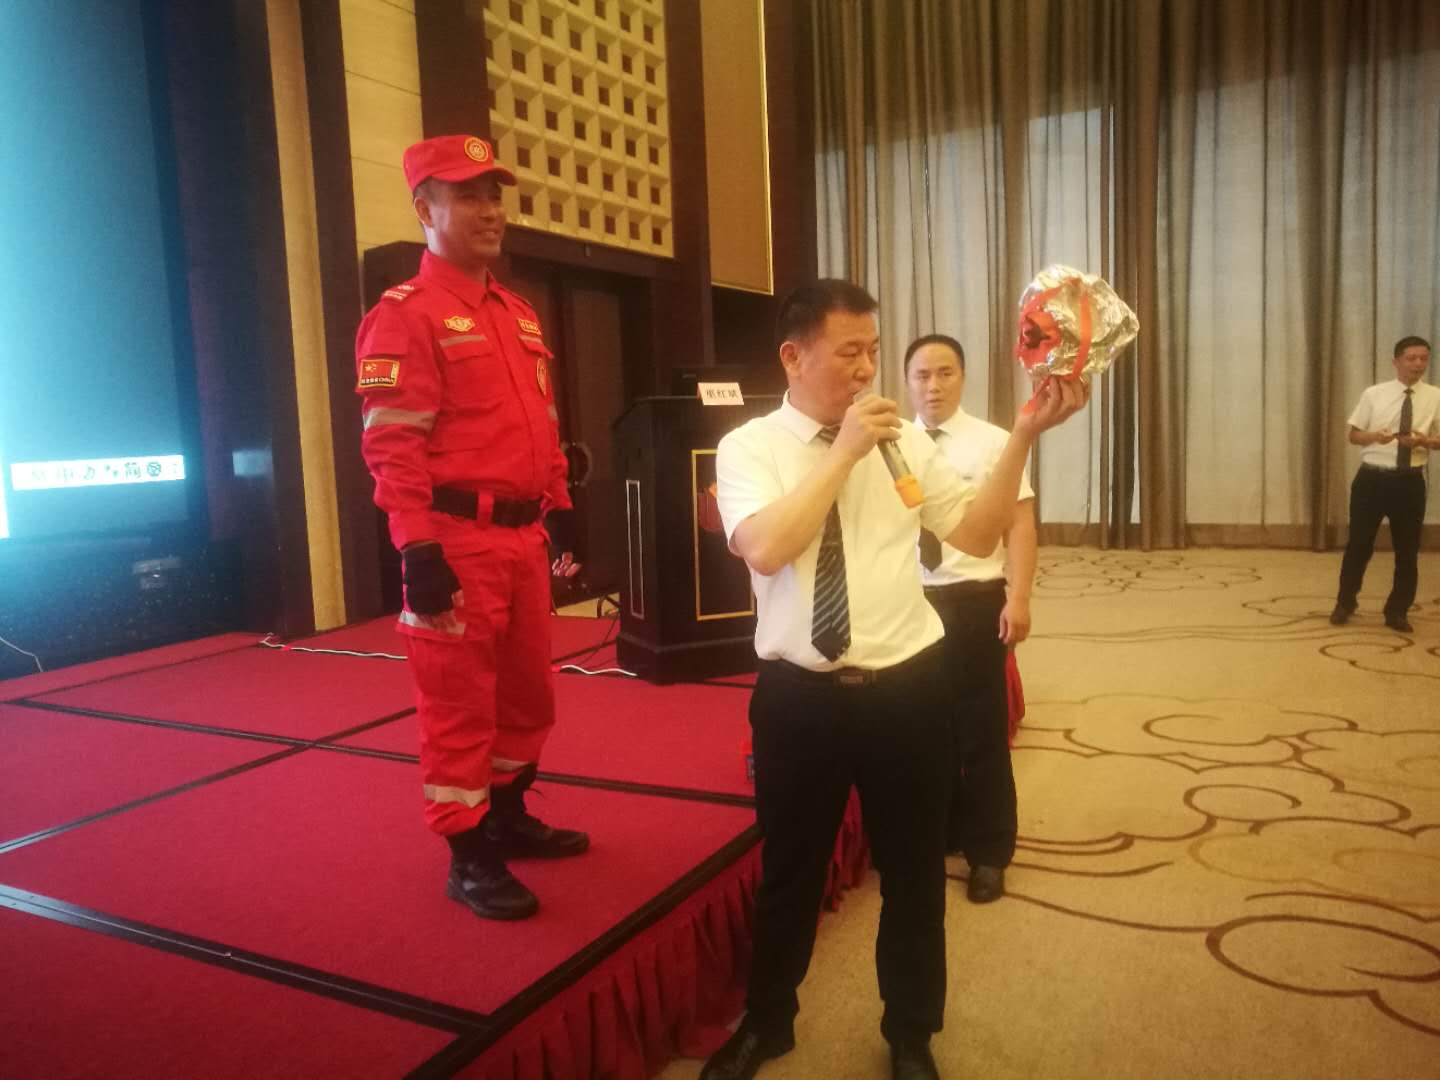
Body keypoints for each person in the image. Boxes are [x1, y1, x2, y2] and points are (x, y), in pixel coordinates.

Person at [705, 281, 1088, 1080]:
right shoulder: (750, 446)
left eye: (874, 351)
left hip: (909, 688)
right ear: (793, 356)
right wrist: (844, 451)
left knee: (914, 877)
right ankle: (767, 1022)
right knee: (789, 874)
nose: (867, 369)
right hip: (799, 698)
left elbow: (974, 532)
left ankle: (911, 1033)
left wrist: (1023, 434)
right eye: (850, 352)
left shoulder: (903, 441)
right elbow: (767, 547)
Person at [354, 134, 588, 922]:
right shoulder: (404, 317)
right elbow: (392, 445)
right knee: (458, 707)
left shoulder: (517, 314)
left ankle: (509, 815)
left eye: (495, 195)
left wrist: (560, 510)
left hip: (523, 540)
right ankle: (468, 854)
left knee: (528, 698)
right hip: (453, 542)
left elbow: (543, 426)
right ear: (425, 209)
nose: (490, 211)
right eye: (467, 196)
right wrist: (416, 546)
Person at [904, 334, 1035, 904]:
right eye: (922, 375)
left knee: (981, 730)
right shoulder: (890, 444)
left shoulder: (995, 443)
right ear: (907, 381)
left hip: (974, 598)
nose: (933, 386)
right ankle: (943, 831)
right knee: (923, 730)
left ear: (963, 376)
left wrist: (1019, 597)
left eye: (945, 373)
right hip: (908, 603)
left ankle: (989, 852)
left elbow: (1020, 524)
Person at [1330, 336, 1438, 634]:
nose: (1418, 364)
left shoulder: (1435, 396)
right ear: (1396, 361)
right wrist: (1374, 437)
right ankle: (1345, 602)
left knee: (1407, 550)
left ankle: (1397, 610)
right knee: (1359, 545)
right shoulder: (1374, 394)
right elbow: (1354, 435)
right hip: (1372, 480)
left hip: (1410, 482)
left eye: (1423, 358)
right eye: (1411, 358)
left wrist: (1425, 442)